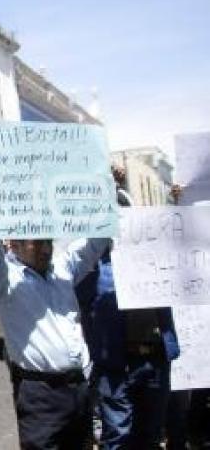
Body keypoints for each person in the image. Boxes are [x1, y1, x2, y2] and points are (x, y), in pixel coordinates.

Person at [0, 161, 111, 449]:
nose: (46, 248)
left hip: (80, 390)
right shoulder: (5, 280)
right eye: (38, 242)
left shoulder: (64, 268)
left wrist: (108, 187)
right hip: (41, 397)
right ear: (15, 244)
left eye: (48, 241)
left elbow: (98, 237)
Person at [75, 166, 180, 449]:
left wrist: (177, 202)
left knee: (150, 434)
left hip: (154, 362)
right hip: (115, 366)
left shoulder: (155, 256)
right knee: (118, 436)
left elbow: (183, 239)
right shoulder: (92, 267)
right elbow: (82, 301)